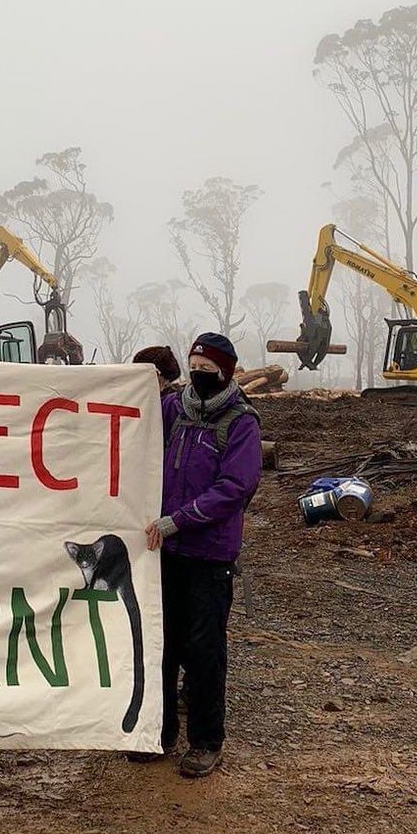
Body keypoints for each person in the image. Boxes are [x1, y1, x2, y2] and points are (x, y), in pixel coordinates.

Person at [141, 332, 261, 778]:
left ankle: (207, 741)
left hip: (209, 555)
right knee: (164, 644)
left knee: (204, 650)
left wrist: (180, 519)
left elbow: (235, 488)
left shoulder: (241, 422)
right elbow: (135, 425)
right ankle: (160, 731)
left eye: (207, 369)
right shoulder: (175, 410)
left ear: (225, 372)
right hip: (166, 552)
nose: (198, 375)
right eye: (193, 366)